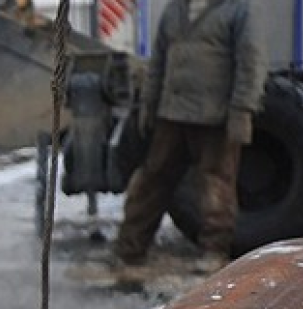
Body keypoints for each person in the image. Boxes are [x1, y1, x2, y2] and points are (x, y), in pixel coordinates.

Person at [111, 0, 265, 277]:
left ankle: (214, 252)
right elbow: (159, 60)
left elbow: (250, 62)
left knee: (217, 184)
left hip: (215, 116)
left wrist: (242, 110)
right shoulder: (175, 9)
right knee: (152, 180)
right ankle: (130, 249)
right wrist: (149, 103)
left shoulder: (237, 10)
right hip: (172, 114)